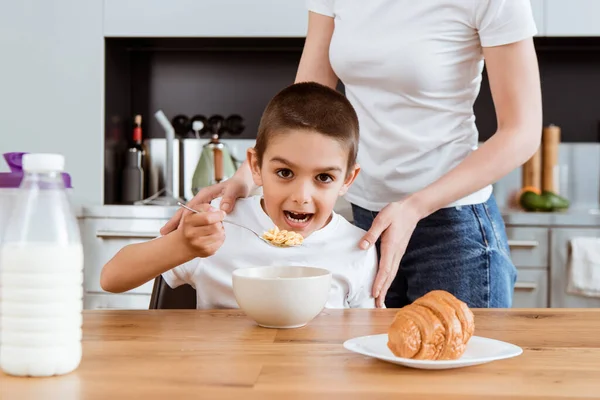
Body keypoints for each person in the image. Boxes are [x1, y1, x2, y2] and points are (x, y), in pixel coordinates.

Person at [160, 0, 543, 309]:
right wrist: (249, 175)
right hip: (362, 224)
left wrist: (414, 206)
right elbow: (306, 104)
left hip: (453, 230)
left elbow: (522, 133)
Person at [101, 82, 379, 309]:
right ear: (256, 167)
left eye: (323, 178)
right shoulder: (220, 226)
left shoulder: (357, 248)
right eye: (284, 173)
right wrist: (182, 246)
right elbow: (110, 278)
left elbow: (360, 335)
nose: (301, 196)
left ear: (347, 179)